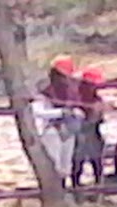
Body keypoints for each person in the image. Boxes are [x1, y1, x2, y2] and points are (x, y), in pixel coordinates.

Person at [34, 56, 83, 184]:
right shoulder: (44, 93)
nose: (65, 80)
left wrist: (77, 114)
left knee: (66, 167)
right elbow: (38, 112)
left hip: (69, 131)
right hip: (51, 131)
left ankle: (63, 190)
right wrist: (61, 112)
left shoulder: (73, 93)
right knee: (54, 164)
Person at [72, 67, 108, 188]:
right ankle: (76, 187)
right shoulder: (78, 99)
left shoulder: (96, 99)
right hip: (81, 133)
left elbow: (100, 119)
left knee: (97, 163)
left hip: (93, 132)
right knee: (78, 164)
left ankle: (98, 187)